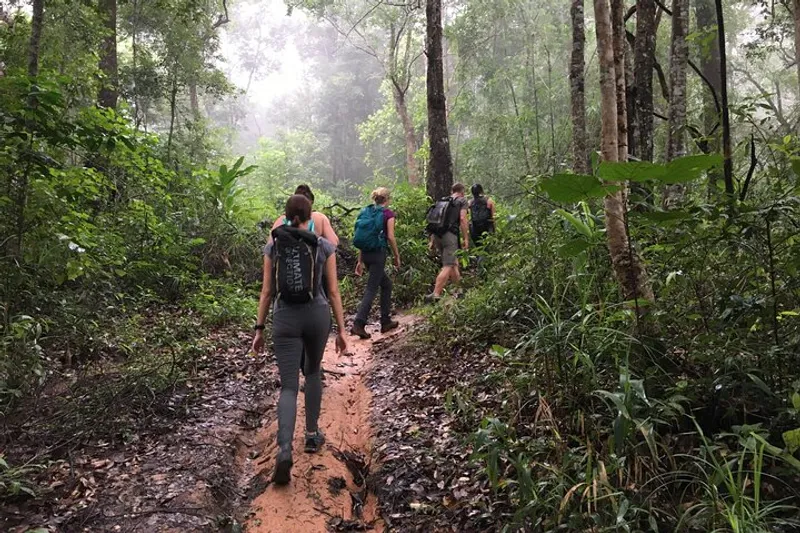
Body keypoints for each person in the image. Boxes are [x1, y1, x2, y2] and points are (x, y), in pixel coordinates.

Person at [251, 194, 348, 486]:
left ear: (285, 216)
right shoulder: (323, 245)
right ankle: (311, 435)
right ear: (310, 216)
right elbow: (333, 291)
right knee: (313, 372)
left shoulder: (274, 245)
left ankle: (284, 449)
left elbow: (267, 291)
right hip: (317, 315)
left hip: (285, 318)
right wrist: (342, 331)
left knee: (289, 386)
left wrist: (259, 329)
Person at [350, 187, 401, 339]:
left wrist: (360, 261)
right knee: (371, 289)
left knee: (386, 284)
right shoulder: (387, 214)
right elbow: (390, 236)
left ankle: (385, 321)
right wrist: (396, 256)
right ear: (387, 199)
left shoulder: (367, 211)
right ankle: (359, 324)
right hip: (378, 254)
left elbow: (364, 238)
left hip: (366, 254)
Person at [426, 183, 469, 301]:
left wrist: (432, 240)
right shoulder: (462, 201)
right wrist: (466, 238)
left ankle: (459, 291)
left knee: (453, 263)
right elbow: (462, 219)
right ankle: (436, 294)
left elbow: (436, 221)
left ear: (452, 191)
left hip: (438, 235)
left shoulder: (443, 201)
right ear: (462, 192)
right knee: (448, 265)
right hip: (450, 236)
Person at [269, 184, 339, 246]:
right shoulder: (320, 218)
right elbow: (334, 242)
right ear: (311, 203)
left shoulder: (282, 220)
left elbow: (270, 246)